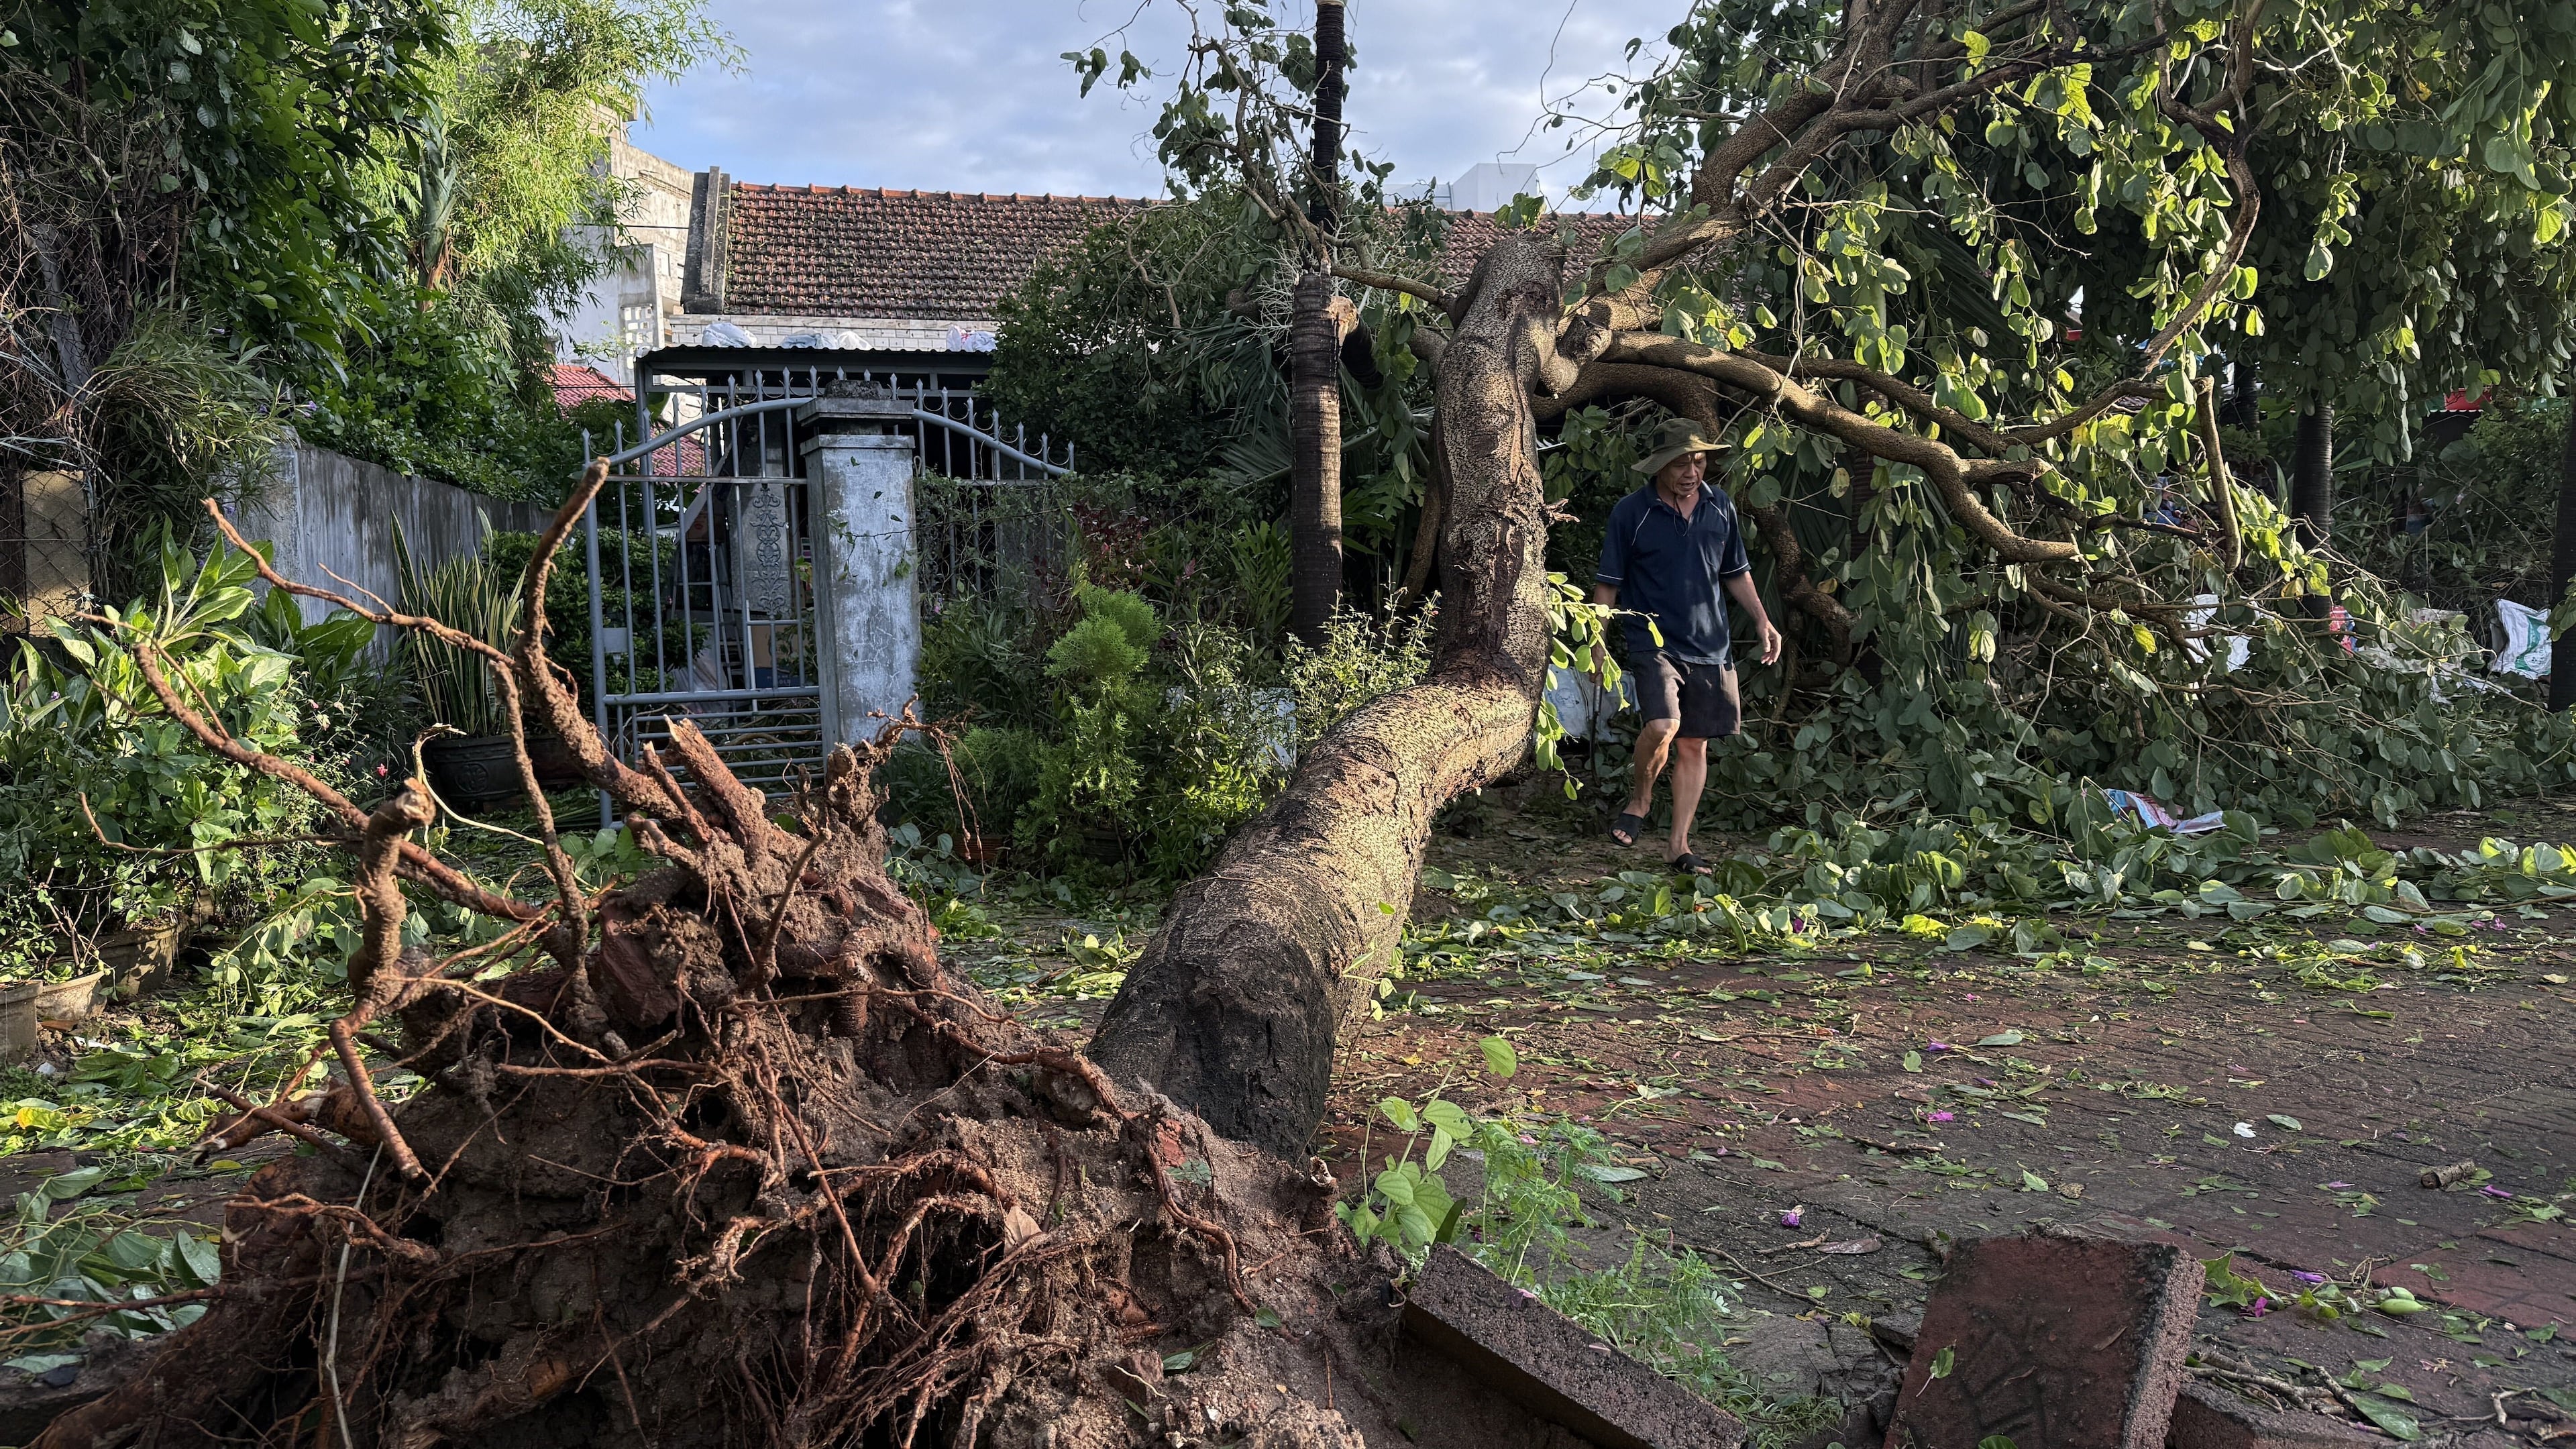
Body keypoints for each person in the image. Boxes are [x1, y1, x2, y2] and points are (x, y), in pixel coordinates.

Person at [1589, 418, 1782, 873]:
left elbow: (1735, 572)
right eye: (1680, 463)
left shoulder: (1721, 509)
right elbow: (1607, 586)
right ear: (1659, 466)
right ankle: (1640, 798)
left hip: (1710, 644)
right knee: (1662, 725)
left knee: (1694, 745)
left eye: (1698, 461)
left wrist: (1762, 620)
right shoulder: (1631, 513)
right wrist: (1597, 643)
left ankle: (1678, 845)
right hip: (1653, 640)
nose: (1691, 472)